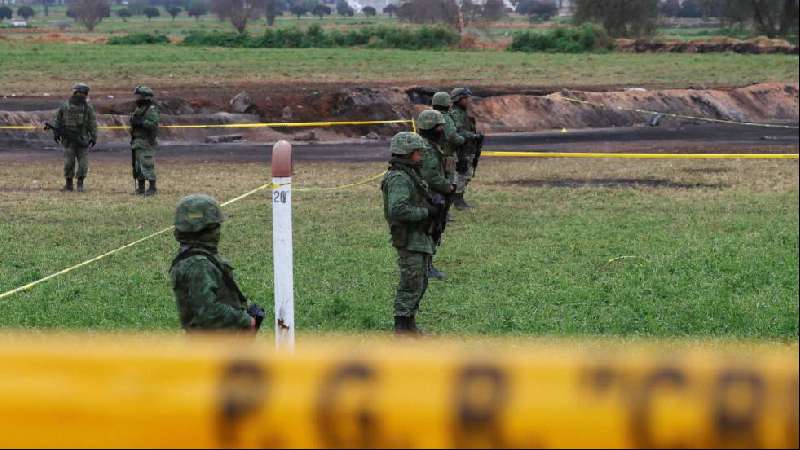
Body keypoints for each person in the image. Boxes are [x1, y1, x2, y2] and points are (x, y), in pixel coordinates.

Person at [170, 194, 265, 332]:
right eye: (215, 227)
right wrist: (245, 320)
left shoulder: (196, 257)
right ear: (203, 230)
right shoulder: (198, 265)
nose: (218, 231)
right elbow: (208, 312)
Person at [381, 132, 440, 335]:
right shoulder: (398, 178)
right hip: (408, 236)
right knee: (411, 281)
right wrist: (426, 212)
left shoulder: (409, 174)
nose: (420, 156)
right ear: (406, 153)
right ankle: (402, 328)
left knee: (420, 280)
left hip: (418, 235)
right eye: (417, 152)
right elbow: (398, 209)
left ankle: (409, 324)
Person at [416, 109, 455, 281]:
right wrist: (448, 187)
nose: (442, 130)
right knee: (430, 231)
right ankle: (425, 267)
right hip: (430, 196)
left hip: (432, 196)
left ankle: (427, 265)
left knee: (433, 231)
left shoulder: (429, 145)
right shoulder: (427, 149)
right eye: (439, 126)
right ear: (431, 127)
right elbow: (431, 176)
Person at [52, 83, 97, 193]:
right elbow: (58, 120)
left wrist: (93, 136)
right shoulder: (65, 106)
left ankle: (80, 184)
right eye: (76, 92)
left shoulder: (87, 108)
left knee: (83, 164)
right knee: (69, 163)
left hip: (82, 139)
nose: (78, 95)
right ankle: (69, 185)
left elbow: (92, 123)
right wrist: (56, 133)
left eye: (80, 93)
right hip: (68, 140)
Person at [448, 87, 484, 210]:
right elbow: (458, 131)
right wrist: (473, 136)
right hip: (460, 149)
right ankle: (457, 201)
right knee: (461, 174)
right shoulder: (456, 113)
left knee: (466, 174)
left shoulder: (462, 112)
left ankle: (459, 198)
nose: (469, 100)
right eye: (466, 98)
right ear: (459, 99)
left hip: (466, 148)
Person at [431, 91, 464, 196]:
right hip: (447, 155)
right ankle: (444, 206)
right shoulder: (445, 117)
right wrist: (463, 140)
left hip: (432, 153)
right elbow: (452, 136)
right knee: (448, 181)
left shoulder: (429, 116)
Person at [130, 85, 160, 196]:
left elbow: (153, 124)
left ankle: (152, 188)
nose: (136, 98)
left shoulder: (151, 109)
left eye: (138, 95)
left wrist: (141, 122)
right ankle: (141, 188)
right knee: (138, 167)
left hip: (146, 141)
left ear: (145, 97)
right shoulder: (139, 108)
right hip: (137, 141)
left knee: (147, 164)